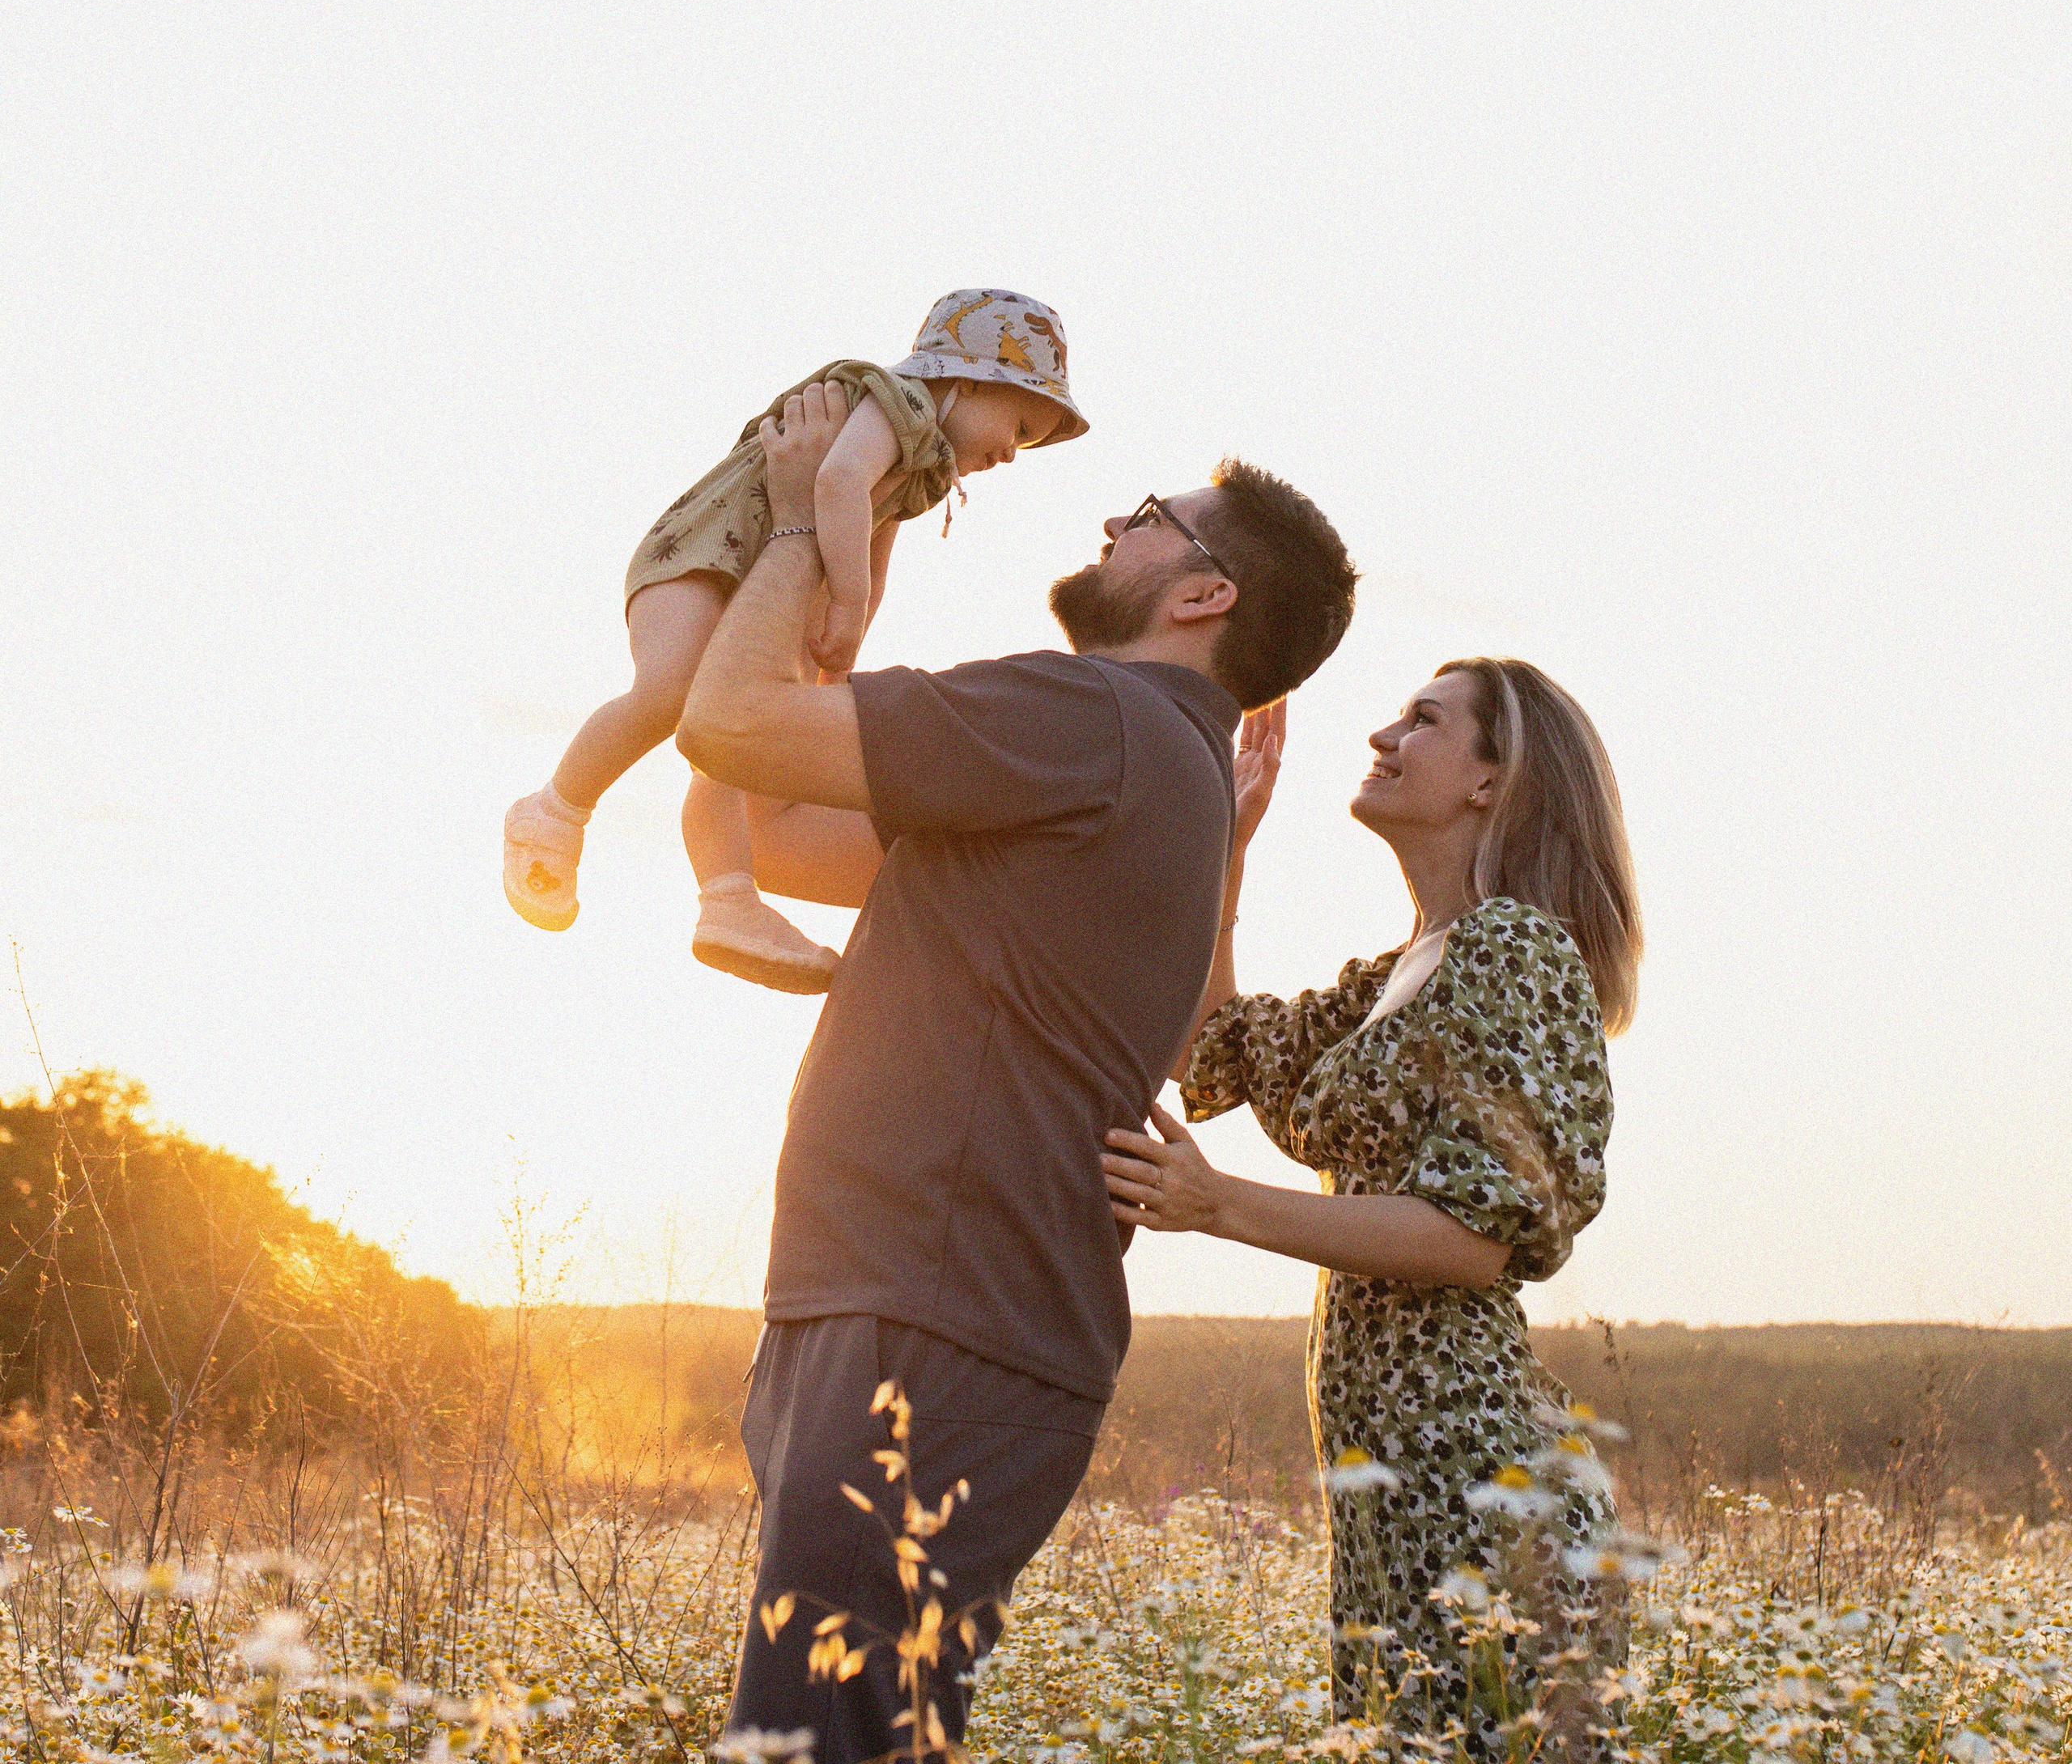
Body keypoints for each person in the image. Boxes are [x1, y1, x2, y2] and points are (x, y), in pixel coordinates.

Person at [677, 380, 1359, 1762]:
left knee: (816, 1745)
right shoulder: (1138, 771)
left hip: (932, 1318)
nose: (1113, 520)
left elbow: (727, 727)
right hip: (918, 1310)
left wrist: (823, 516)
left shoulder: (1093, 717)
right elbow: (789, 826)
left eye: (1149, 517)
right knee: (856, 1737)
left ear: (1204, 594)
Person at [1102, 661, 1643, 1743]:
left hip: (1477, 1480)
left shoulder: (1514, 950)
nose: (1384, 735)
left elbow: (1476, 1239)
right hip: (1394, 1487)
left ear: (1492, 780)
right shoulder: (1400, 975)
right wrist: (1228, 851)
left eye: (1425, 722)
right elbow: (1214, 1049)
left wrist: (1219, 1207)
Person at [502, 289, 1086, 992]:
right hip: (702, 553)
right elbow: (838, 482)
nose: (1014, 454)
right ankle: (552, 812)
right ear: (964, 379)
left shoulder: (926, 464)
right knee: (673, 691)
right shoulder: (894, 400)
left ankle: (728, 901)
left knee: (733, 747)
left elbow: (877, 541)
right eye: (1020, 425)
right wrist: (845, 596)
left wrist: (847, 639)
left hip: (762, 583)